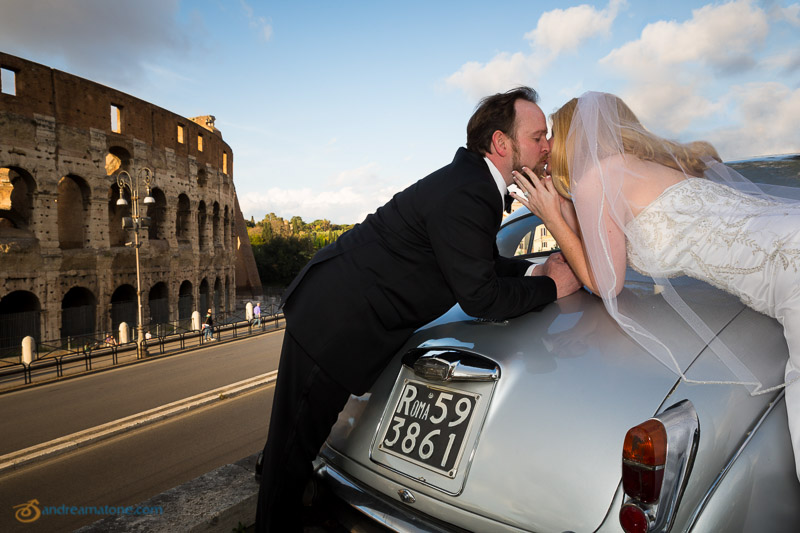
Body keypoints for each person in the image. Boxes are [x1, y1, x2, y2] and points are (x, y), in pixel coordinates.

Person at [255, 86, 581, 532]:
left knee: (295, 442)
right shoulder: (470, 192)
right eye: (538, 136)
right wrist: (549, 286)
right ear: (502, 144)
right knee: (290, 451)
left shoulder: (470, 182)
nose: (547, 146)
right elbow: (480, 298)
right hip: (334, 320)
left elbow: (475, 264)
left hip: (340, 310)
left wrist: (530, 270)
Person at [510, 90, 800, 481]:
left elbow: (607, 283)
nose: (548, 149)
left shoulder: (597, 177)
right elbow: (599, 245)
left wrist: (552, 217)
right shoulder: (640, 166)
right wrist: (562, 208)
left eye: (554, 138)